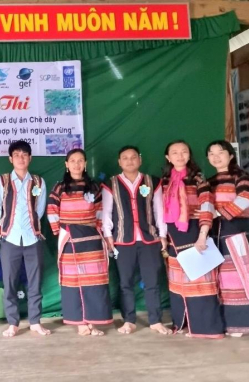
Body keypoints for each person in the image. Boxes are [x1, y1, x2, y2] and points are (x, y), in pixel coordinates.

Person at [101, 146, 172, 335]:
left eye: (133, 157)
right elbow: (107, 213)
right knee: (125, 283)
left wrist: (163, 236)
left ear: (140, 160)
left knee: (152, 282)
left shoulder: (152, 182)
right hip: (122, 241)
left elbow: (159, 211)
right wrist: (108, 236)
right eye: (125, 158)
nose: (129, 161)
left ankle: (156, 320)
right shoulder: (111, 184)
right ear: (119, 162)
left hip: (150, 239)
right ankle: (129, 320)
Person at [162, 140, 224, 338]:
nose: (179, 156)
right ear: (168, 158)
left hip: (195, 234)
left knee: (200, 280)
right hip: (173, 237)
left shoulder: (199, 179)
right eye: (175, 152)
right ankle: (183, 323)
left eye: (184, 152)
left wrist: (202, 235)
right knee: (178, 282)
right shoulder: (163, 182)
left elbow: (207, 206)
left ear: (189, 155)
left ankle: (205, 328)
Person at [47, 149, 113, 336]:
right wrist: (59, 232)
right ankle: (80, 322)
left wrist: (96, 229)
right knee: (74, 282)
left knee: (94, 282)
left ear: (85, 163)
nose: (77, 164)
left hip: (91, 240)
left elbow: (100, 211)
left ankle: (93, 320)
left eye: (80, 160)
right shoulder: (59, 188)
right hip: (69, 239)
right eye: (73, 161)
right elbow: (52, 210)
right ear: (66, 164)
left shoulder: (93, 187)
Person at [0, 140, 51, 337]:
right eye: (16, 155)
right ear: (10, 159)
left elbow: (40, 209)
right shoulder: (2, 181)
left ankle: (35, 321)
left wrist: (32, 227)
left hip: (33, 239)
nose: (21, 158)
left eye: (24, 155)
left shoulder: (39, 182)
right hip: (10, 240)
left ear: (30, 158)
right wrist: (7, 228)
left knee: (35, 282)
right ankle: (13, 323)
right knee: (10, 283)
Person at [207, 140, 249, 337]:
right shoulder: (209, 181)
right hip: (216, 235)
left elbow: (245, 198)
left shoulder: (241, 177)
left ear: (230, 155)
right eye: (211, 154)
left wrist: (218, 213)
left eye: (220, 152)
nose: (216, 156)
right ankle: (228, 322)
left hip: (236, 233)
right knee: (222, 280)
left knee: (241, 277)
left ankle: (247, 323)